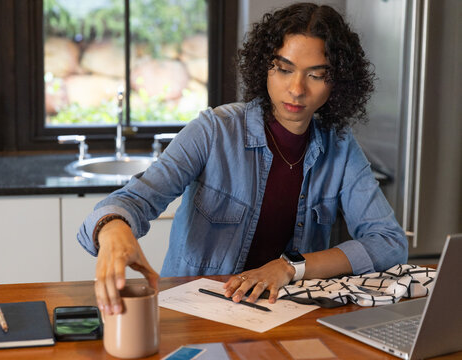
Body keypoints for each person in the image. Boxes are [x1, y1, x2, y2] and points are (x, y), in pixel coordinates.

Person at [77, 2, 408, 315]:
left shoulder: (340, 146)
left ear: (337, 82)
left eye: (316, 75)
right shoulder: (214, 130)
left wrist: (289, 266)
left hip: (287, 314)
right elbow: (133, 200)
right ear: (264, 67)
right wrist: (112, 229)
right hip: (197, 310)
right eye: (283, 68)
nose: (296, 88)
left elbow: (389, 243)